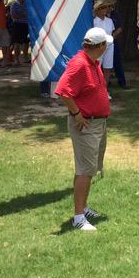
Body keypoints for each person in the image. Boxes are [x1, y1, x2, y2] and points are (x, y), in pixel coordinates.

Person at [55, 27, 114, 232]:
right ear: (98, 46)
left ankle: (84, 208)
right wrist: (76, 114)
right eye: (105, 44)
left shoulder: (93, 62)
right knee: (85, 170)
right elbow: (63, 91)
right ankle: (79, 217)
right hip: (86, 124)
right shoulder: (79, 64)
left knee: (88, 169)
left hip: (97, 123)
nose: (107, 47)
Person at [92, 0, 117, 94]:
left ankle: (104, 90)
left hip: (110, 46)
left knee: (108, 68)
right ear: (97, 10)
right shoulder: (94, 22)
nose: (105, 9)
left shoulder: (110, 21)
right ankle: (96, 90)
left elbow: (112, 32)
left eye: (106, 7)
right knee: (97, 68)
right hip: (98, 47)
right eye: (102, 7)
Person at [108, 2, 129, 89]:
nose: (109, 7)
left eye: (110, 6)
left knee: (117, 61)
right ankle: (106, 82)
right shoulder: (100, 16)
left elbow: (119, 28)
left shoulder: (115, 15)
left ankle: (122, 82)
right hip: (102, 42)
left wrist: (112, 37)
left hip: (113, 41)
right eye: (107, 6)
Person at [8, 0, 30, 66]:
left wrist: (22, 15)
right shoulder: (14, 4)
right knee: (17, 43)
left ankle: (25, 58)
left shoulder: (26, 4)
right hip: (17, 25)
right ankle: (16, 60)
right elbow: (14, 15)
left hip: (26, 24)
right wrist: (24, 15)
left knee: (26, 42)